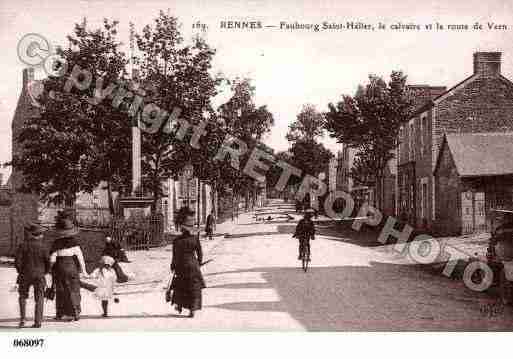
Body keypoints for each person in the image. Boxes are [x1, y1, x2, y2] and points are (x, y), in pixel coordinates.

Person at [50, 214, 87, 321]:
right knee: (74, 290)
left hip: (60, 269)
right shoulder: (75, 243)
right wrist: (84, 271)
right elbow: (81, 258)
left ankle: (60, 313)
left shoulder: (56, 244)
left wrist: (49, 270)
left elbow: (52, 259)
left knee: (61, 290)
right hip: (72, 268)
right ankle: (76, 312)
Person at [170, 208, 206, 318]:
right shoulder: (195, 239)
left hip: (182, 266)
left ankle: (179, 305)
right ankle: (192, 310)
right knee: (194, 287)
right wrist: (199, 262)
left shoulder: (177, 241)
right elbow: (200, 253)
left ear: (182, 230)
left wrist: (173, 266)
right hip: (193, 265)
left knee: (181, 286)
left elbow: (175, 256)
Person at [15, 221, 50, 328]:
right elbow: (48, 263)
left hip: (25, 274)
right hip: (39, 275)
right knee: (39, 298)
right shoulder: (43, 247)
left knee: (22, 296)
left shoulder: (23, 245)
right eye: (42, 234)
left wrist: (21, 271)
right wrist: (44, 272)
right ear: (39, 235)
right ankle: (38, 321)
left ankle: (22, 319)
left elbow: (17, 262)